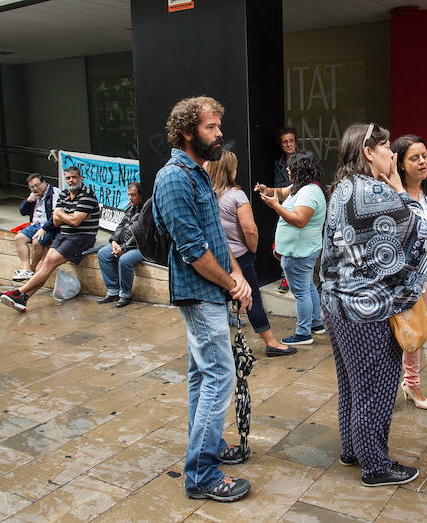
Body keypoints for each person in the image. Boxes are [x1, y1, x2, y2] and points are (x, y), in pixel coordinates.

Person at [153, 96, 253, 502]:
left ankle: (205, 450)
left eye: (218, 126)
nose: (219, 133)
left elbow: (215, 235)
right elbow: (193, 249)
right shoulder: (174, 178)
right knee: (218, 375)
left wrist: (239, 274)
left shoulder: (198, 174)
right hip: (199, 294)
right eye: (211, 127)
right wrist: (231, 285)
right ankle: (201, 474)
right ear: (186, 132)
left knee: (202, 376)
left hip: (214, 289)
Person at [320, 122, 427, 487]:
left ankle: (353, 449)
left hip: (338, 306)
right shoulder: (376, 192)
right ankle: (375, 466)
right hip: (367, 310)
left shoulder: (342, 189)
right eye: (386, 149)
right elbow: (421, 232)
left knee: (352, 384)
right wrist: (400, 187)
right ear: (369, 152)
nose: (393, 156)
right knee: (376, 389)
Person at [210, 149, 293, 356]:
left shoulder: (207, 194)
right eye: (235, 167)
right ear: (230, 170)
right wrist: (252, 248)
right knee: (251, 297)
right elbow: (250, 229)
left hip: (215, 257)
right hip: (239, 257)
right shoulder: (236, 195)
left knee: (219, 300)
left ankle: (219, 346)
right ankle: (272, 343)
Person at [0, 166, 99, 312]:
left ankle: (18, 293)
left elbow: (74, 222)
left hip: (81, 237)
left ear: (80, 178)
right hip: (63, 235)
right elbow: (55, 221)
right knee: (47, 265)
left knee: (48, 263)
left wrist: (62, 214)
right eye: (68, 178)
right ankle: (23, 298)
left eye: (74, 177)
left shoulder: (87, 195)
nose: (71, 180)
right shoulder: (64, 194)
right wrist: (68, 216)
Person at [257, 150, 327, 346]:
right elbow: (280, 192)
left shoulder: (308, 192)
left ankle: (303, 332)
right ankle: (316, 324)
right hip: (301, 249)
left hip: (299, 252)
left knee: (301, 292)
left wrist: (275, 206)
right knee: (308, 287)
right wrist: (267, 190)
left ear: (300, 169)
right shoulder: (301, 187)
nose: (287, 169)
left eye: (290, 167)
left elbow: (299, 221)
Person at [391, 135, 427, 410]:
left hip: (422, 275)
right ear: (400, 164)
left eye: (424, 156)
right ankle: (392, 383)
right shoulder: (391, 196)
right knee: (390, 334)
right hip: (394, 276)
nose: (422, 162)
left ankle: (412, 384)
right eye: (414, 157)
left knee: (414, 331)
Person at [96, 182, 144, 307]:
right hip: (123, 244)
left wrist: (123, 248)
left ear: (140, 195)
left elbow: (139, 234)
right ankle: (113, 291)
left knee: (125, 260)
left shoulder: (146, 210)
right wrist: (114, 241)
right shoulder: (130, 208)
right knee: (102, 254)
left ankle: (125, 294)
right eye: (128, 195)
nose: (130, 198)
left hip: (141, 247)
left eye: (133, 195)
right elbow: (120, 226)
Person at [13, 173, 59, 282]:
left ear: (44, 182)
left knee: (36, 242)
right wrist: (28, 201)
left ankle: (32, 269)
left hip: (48, 226)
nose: (35, 188)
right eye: (32, 187)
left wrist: (44, 229)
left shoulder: (54, 193)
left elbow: (55, 217)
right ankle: (26, 269)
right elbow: (22, 212)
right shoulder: (34, 194)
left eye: (37, 185)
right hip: (34, 224)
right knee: (19, 238)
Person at [272, 127, 297, 294]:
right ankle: (286, 277)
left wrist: (286, 190)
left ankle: (298, 279)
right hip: (286, 206)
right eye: (285, 142)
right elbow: (278, 189)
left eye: (291, 140)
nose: (288, 144)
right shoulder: (279, 164)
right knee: (284, 244)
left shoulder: (305, 159)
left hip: (302, 206)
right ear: (281, 145)